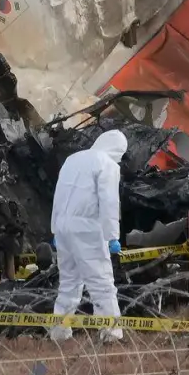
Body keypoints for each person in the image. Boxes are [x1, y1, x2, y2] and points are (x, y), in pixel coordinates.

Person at [50, 129, 128, 342]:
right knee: (101, 281)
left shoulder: (72, 159)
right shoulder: (107, 164)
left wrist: (55, 229)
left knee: (68, 281)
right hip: (87, 228)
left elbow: (59, 193)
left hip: (64, 226)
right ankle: (110, 333)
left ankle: (59, 332)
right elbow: (109, 202)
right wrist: (112, 236)